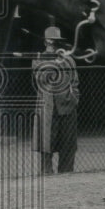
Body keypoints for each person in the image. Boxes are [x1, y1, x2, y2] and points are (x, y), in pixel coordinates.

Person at [32, 26, 80, 174]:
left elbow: (75, 81)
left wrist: (73, 98)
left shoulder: (69, 59)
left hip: (67, 106)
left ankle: (66, 173)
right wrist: (55, 62)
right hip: (48, 106)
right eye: (51, 41)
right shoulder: (38, 58)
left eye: (57, 42)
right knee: (46, 143)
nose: (53, 45)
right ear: (45, 41)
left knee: (68, 144)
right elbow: (43, 78)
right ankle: (46, 173)